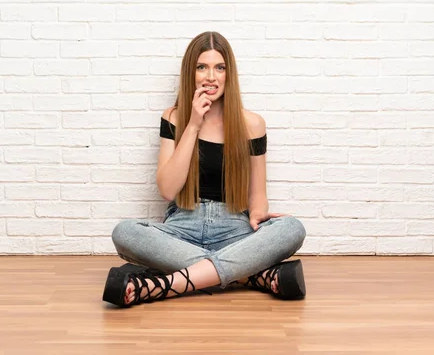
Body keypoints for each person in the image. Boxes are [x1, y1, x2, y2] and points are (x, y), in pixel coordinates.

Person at [103, 31, 306, 308]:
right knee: (124, 232)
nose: (211, 76)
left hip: (234, 227)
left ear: (228, 74)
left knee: (292, 228)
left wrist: (262, 216)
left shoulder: (253, 124)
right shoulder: (174, 117)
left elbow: (258, 195)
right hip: (181, 228)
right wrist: (194, 124)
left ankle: (164, 285)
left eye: (219, 68)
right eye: (202, 67)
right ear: (191, 73)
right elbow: (167, 190)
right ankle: (252, 275)